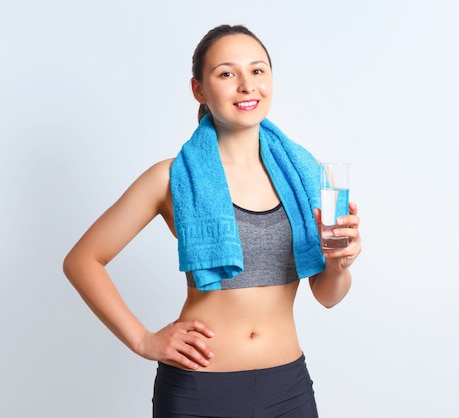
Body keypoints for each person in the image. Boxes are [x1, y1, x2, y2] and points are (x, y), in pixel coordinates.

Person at [63, 24, 361, 418]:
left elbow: (327, 295)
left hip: (288, 388)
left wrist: (338, 265)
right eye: (226, 73)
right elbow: (82, 260)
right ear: (199, 89)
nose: (246, 85)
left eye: (257, 71)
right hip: (198, 390)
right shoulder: (171, 178)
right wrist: (142, 340)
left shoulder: (309, 176)